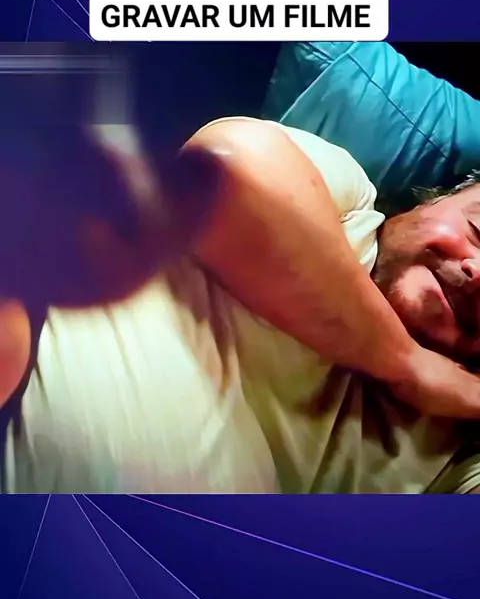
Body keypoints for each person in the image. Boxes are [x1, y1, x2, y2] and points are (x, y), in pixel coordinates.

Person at [2, 116, 480, 493]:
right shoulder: (347, 206)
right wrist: (406, 363)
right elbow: (227, 165)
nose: (476, 274)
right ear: (431, 201)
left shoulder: (457, 457)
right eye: (476, 232)